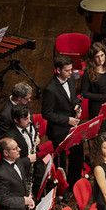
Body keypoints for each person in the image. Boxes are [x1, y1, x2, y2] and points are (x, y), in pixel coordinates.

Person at [41, 54, 83, 189]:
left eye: (71, 69)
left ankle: (74, 182)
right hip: (59, 129)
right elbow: (46, 114)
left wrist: (77, 106)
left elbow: (73, 99)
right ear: (58, 70)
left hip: (72, 123)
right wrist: (67, 120)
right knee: (61, 161)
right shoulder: (50, 89)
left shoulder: (70, 80)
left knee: (78, 150)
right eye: (67, 70)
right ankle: (62, 187)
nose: (71, 72)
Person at [81, 42, 106, 132]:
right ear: (92, 58)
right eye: (97, 57)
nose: (100, 59)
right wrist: (105, 97)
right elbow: (85, 93)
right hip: (97, 109)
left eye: (102, 55)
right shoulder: (88, 72)